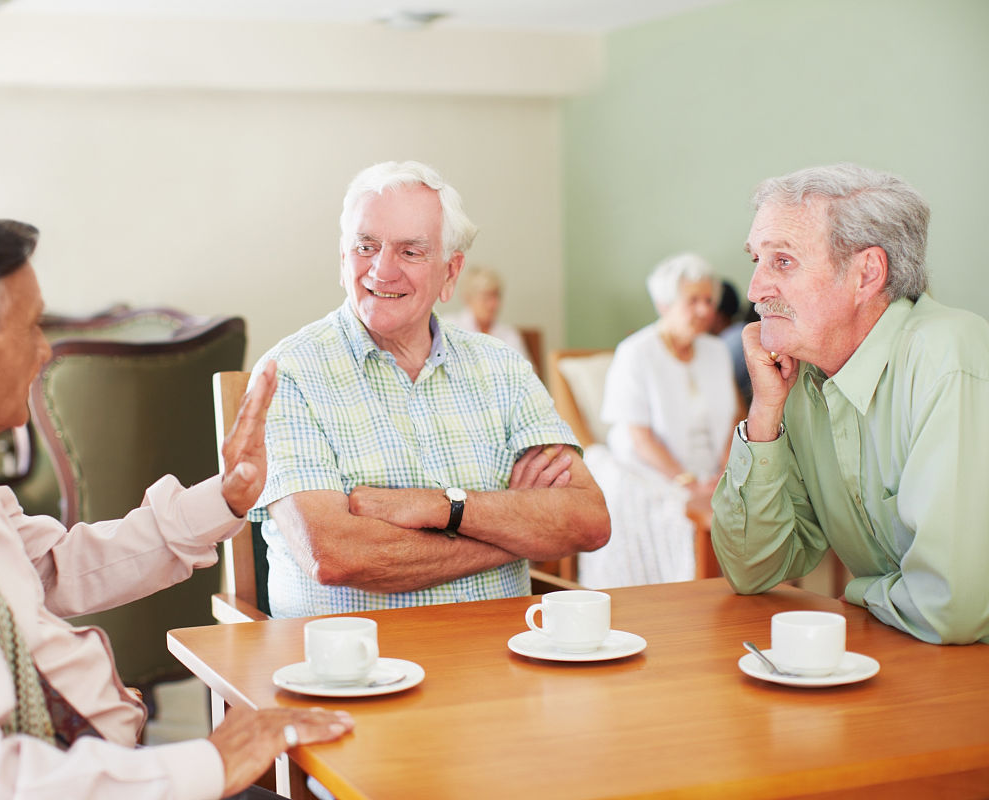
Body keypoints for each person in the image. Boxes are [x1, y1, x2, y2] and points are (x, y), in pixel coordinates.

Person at [0, 215, 353, 800]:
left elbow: (52, 564)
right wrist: (211, 763)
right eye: (31, 327)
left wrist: (227, 496)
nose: (44, 352)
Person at [248, 160, 610, 618]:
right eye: (365, 246)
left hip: (504, 662)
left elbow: (588, 521)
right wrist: (514, 532)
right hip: (352, 671)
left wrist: (439, 508)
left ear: (451, 273)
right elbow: (335, 554)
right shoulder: (290, 373)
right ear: (343, 260)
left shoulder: (502, 368)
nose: (382, 270)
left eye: (411, 252)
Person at [712, 163, 989, 645]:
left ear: (867, 274)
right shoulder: (798, 378)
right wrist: (764, 415)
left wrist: (859, 591)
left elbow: (951, 611)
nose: (755, 290)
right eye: (755, 260)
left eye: (782, 262)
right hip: (904, 660)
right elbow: (752, 570)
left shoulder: (950, 356)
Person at [578, 253, 738, 588]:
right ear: (665, 303)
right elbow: (640, 437)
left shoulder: (716, 350)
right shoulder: (635, 353)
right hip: (651, 473)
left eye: (708, 300)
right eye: (692, 300)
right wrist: (688, 483)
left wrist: (724, 473)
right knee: (681, 516)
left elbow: (734, 418)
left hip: (711, 474)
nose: (704, 310)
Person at [444, 265, 529, 359]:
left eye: (496, 296)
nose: (493, 304)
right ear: (467, 298)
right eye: (486, 297)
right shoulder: (449, 327)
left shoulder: (508, 334)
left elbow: (527, 371)